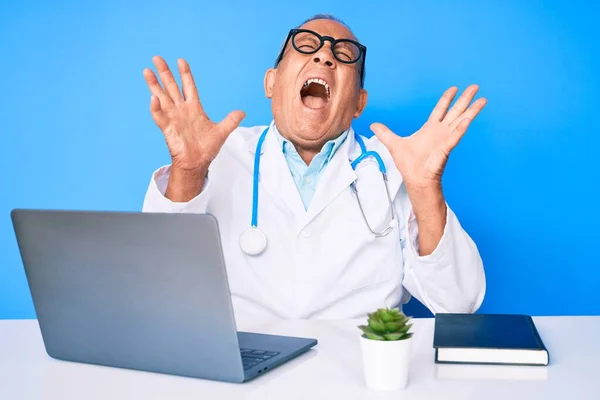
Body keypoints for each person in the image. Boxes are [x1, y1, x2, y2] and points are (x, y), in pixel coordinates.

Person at [141, 14, 487, 323]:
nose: (324, 56)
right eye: (306, 46)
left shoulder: (397, 165)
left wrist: (426, 189)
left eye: (344, 54)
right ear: (271, 83)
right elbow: (158, 280)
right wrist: (187, 171)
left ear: (358, 104)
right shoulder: (220, 154)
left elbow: (457, 304)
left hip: (362, 371)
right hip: (241, 366)